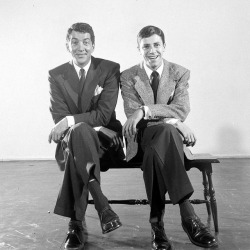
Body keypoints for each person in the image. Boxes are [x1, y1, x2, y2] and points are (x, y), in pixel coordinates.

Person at [120, 25, 218, 249]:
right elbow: (131, 114)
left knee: (158, 150)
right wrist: (174, 122)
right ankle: (188, 215)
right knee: (165, 133)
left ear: (164, 46)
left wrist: (146, 111)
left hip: (164, 141)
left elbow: (181, 108)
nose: (152, 50)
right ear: (139, 48)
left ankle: (157, 226)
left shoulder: (179, 72)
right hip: (141, 138)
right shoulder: (127, 76)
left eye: (156, 45)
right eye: (146, 46)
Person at [48, 22, 124, 249]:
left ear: (93, 45)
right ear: (67, 45)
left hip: (106, 142)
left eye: (86, 42)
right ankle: (102, 205)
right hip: (74, 141)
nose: (80, 47)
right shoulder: (56, 75)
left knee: (78, 132)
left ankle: (75, 224)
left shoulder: (109, 69)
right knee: (79, 134)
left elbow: (101, 116)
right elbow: (59, 117)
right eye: (74, 42)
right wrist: (75, 124)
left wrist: (72, 120)